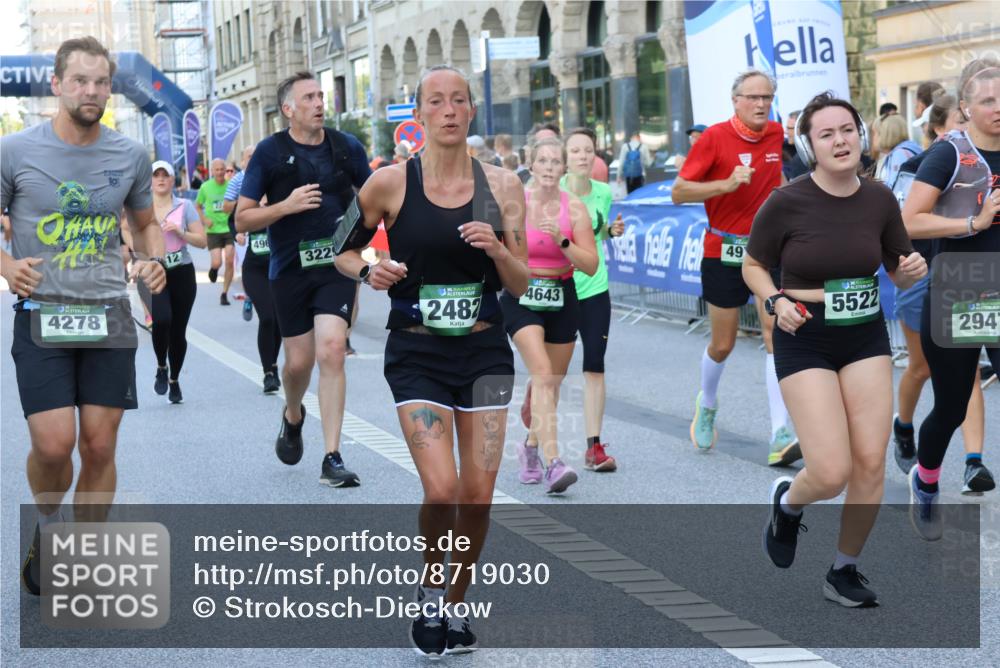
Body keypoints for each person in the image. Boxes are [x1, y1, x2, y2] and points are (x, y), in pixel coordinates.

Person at [336, 64, 529, 656]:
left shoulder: (502, 186)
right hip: (417, 351)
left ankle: (456, 605)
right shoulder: (389, 183)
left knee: (478, 495)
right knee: (442, 488)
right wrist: (372, 268)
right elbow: (339, 251)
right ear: (418, 115)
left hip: (484, 350)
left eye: (459, 101)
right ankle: (429, 590)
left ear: (472, 111)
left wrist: (498, 248)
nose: (448, 110)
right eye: (435, 102)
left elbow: (521, 284)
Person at [745, 92, 927, 607]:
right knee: (830, 470)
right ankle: (789, 503)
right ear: (809, 146)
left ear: (862, 136)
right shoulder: (787, 201)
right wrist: (775, 299)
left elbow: (897, 261)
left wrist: (909, 268)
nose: (840, 140)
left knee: (869, 462)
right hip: (804, 333)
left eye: (846, 129)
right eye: (826, 134)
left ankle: (843, 571)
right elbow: (753, 267)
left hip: (864, 332)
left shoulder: (878, 199)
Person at [0, 36, 167, 594]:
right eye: (80, 80)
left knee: (99, 445)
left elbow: (144, 223)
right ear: (57, 85)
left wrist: (152, 260)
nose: (91, 91)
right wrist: (5, 265)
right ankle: (49, 526)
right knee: (53, 445)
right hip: (41, 312)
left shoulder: (129, 155)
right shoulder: (16, 151)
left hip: (109, 313)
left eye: (101, 82)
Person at [236, 71, 370, 488]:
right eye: (309, 97)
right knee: (298, 363)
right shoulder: (269, 153)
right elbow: (241, 217)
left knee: (332, 349)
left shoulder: (346, 147)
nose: (319, 102)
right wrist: (285, 206)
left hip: (337, 265)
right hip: (289, 270)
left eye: (321, 95)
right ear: (288, 109)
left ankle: (332, 455)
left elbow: (376, 195)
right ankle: (293, 414)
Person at [672, 69, 799, 465]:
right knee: (723, 344)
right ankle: (707, 403)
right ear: (736, 101)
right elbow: (679, 191)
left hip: (766, 251)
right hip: (722, 247)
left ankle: (780, 433)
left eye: (767, 97)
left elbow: (775, 176)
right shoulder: (713, 138)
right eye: (753, 97)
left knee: (774, 334)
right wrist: (724, 185)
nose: (761, 104)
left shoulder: (778, 134)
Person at [902, 59, 1000, 539]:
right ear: (966, 107)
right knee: (953, 406)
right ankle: (926, 478)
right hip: (962, 288)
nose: (999, 109)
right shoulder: (949, 155)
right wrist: (972, 224)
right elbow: (909, 221)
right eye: (988, 100)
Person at [502, 136, 598, 494]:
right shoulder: (517, 205)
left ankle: (529, 448)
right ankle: (555, 463)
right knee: (542, 373)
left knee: (550, 383)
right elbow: (499, 251)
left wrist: (563, 241)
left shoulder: (574, 209)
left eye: (555, 162)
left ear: (564, 167)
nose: (548, 168)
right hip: (523, 294)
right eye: (542, 161)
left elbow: (590, 265)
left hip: (562, 294)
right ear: (530, 163)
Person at [562, 127, 626, 472]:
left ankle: (594, 446)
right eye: (575, 151)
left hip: (595, 288)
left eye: (588, 150)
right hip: (560, 288)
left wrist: (609, 232)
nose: (583, 157)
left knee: (594, 365)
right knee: (553, 371)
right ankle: (535, 422)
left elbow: (596, 232)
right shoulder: (551, 193)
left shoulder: (603, 191)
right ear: (564, 158)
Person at [225, 145, 283, 393]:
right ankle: (268, 371)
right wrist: (236, 233)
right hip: (255, 268)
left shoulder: (280, 195)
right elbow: (232, 219)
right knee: (267, 317)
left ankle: (273, 365)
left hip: (279, 266)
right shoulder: (251, 194)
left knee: (279, 321)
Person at [147, 160, 206, 403]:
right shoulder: (143, 207)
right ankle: (162, 365)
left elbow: (202, 241)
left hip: (182, 270)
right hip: (154, 270)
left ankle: (174, 380)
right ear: (150, 180)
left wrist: (180, 232)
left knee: (178, 330)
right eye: (156, 175)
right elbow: (127, 231)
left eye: (165, 175)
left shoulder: (185, 205)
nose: (161, 179)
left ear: (173, 180)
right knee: (161, 320)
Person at [196, 158, 234, 304]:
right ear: (212, 171)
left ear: (225, 170)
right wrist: (204, 220)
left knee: (230, 260)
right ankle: (214, 269)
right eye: (216, 170)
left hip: (228, 228)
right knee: (217, 262)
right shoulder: (205, 187)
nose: (219, 172)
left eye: (221, 169)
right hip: (213, 230)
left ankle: (224, 293)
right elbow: (198, 206)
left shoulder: (230, 186)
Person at [875, 114, 922, 185]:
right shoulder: (906, 150)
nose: (875, 136)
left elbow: (896, 188)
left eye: (878, 133)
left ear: (887, 134)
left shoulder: (899, 155)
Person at [782, 112, 809, 180]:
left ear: (802, 129)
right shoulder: (782, 147)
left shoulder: (802, 158)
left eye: (790, 128)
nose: (786, 132)